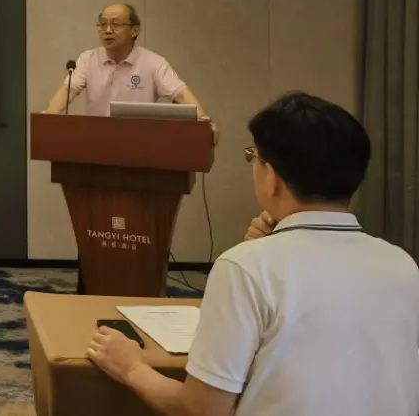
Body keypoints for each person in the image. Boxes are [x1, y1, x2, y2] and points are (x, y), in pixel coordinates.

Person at [86, 92, 419, 416]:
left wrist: (131, 367)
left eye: (254, 157)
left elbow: (201, 409)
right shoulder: (402, 264)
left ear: (271, 177)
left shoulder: (244, 267)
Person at [45, 3, 211, 124]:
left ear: (134, 31)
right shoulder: (87, 59)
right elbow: (68, 90)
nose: (107, 30)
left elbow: (181, 94)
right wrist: (49, 118)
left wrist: (204, 120)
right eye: (103, 24)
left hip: (139, 145)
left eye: (115, 24)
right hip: (96, 142)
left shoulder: (153, 62)